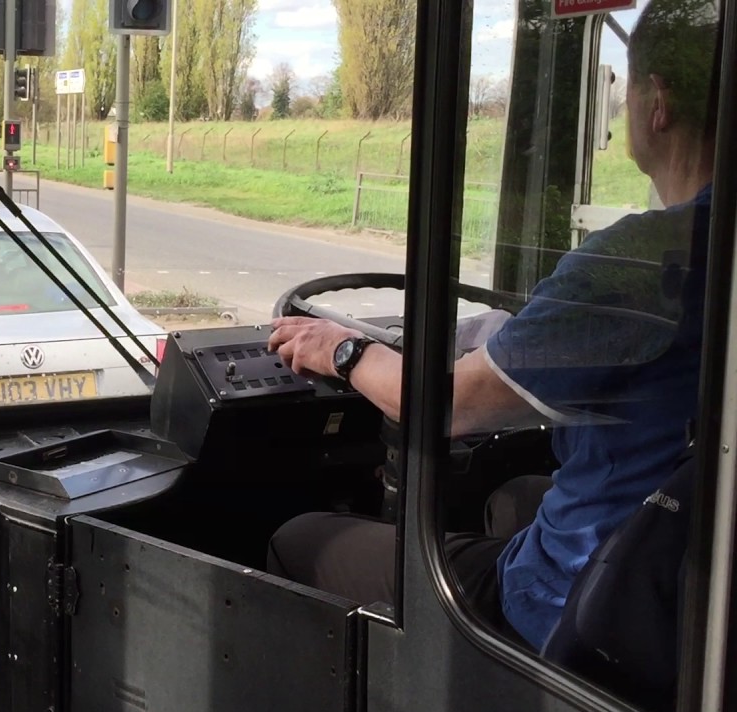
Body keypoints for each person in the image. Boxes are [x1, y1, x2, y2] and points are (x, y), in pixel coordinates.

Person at [265, 0, 719, 651]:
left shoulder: (643, 260)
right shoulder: (713, 249)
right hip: (686, 587)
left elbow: (443, 405)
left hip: (579, 605)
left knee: (300, 540)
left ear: (658, 104)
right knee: (509, 496)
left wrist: (341, 349)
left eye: (628, 89)